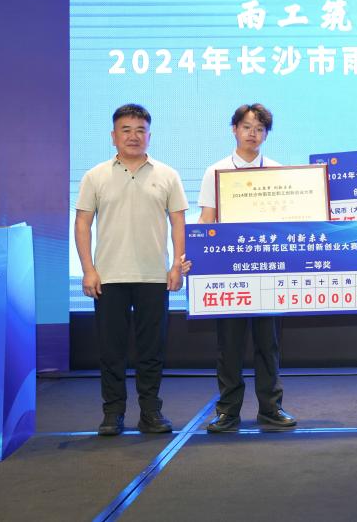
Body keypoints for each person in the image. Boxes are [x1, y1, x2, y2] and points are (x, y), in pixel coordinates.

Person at [75, 104, 189, 436]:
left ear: (149, 136)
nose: (133, 136)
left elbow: (178, 223)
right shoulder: (95, 176)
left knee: (152, 350)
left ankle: (151, 412)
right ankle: (113, 413)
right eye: (126, 130)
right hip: (108, 277)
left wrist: (176, 265)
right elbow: (82, 224)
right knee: (111, 351)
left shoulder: (167, 175)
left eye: (140, 130)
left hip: (154, 276)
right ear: (114, 136)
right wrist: (88, 269)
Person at [197, 104, 297, 433]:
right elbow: (207, 220)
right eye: (246, 127)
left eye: (259, 129)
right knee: (229, 346)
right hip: (229, 273)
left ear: (266, 134)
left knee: (268, 344)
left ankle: (271, 408)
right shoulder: (216, 171)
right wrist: (198, 258)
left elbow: (290, 220)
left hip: (268, 270)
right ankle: (228, 411)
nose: (252, 134)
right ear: (234, 129)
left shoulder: (278, 171)